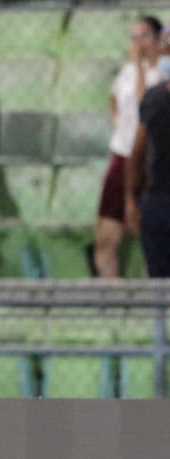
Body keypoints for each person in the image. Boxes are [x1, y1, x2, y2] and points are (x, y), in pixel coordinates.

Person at [95, 16, 164, 278]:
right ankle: (112, 305)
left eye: (144, 36)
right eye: (134, 37)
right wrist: (118, 124)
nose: (138, 43)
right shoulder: (127, 71)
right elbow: (114, 99)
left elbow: (143, 105)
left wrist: (139, 67)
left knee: (150, 236)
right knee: (105, 236)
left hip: (149, 160)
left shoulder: (161, 74)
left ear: (158, 40)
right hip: (122, 154)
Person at [125, 29, 170, 278]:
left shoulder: (155, 99)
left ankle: (160, 317)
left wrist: (132, 198)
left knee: (159, 279)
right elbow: (138, 151)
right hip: (158, 198)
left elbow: (138, 151)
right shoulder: (154, 99)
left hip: (158, 199)